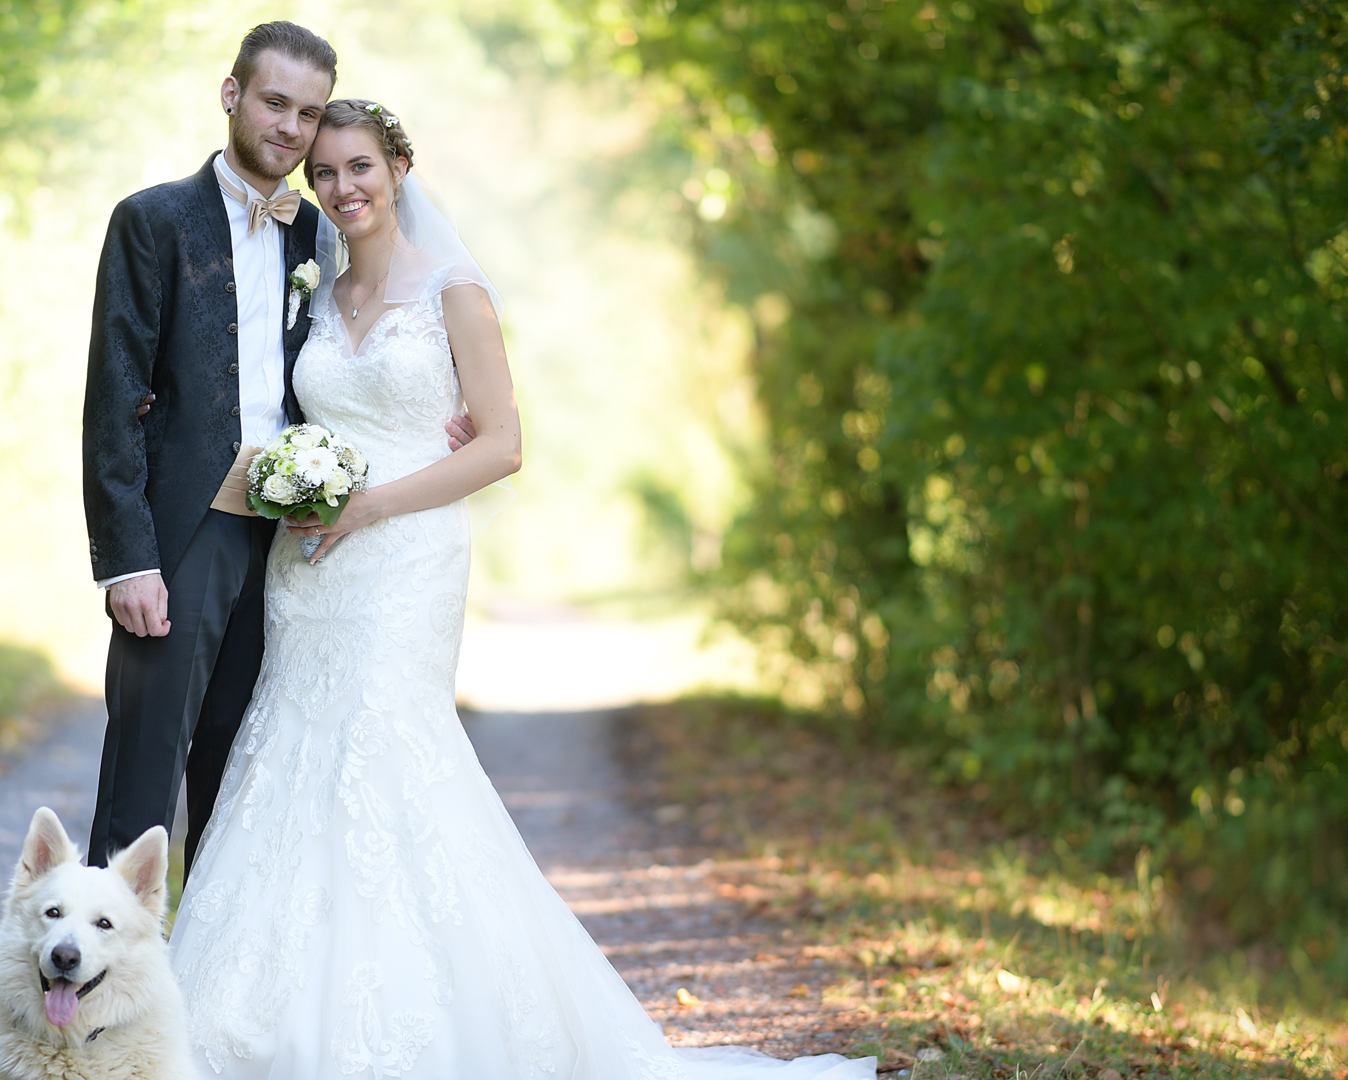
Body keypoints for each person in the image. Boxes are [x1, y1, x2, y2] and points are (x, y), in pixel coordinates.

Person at [166, 98, 876, 1080]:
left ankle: (407, 1023)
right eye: (324, 173)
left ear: (401, 168)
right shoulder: (313, 295)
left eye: (360, 167)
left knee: (388, 749)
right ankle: (250, 1013)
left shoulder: (454, 290)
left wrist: (371, 506)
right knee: (288, 744)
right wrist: (287, 484)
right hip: (307, 567)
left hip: (405, 558)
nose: (342, 189)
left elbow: (502, 444)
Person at [79, 22, 339, 875]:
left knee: (237, 780)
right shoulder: (152, 221)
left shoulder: (319, 237)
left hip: (285, 544)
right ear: (231, 95)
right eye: (274, 102)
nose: (291, 128)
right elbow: (114, 397)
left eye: (309, 113)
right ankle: (97, 994)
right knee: (144, 780)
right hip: (185, 533)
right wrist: (129, 561)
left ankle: (201, 986)